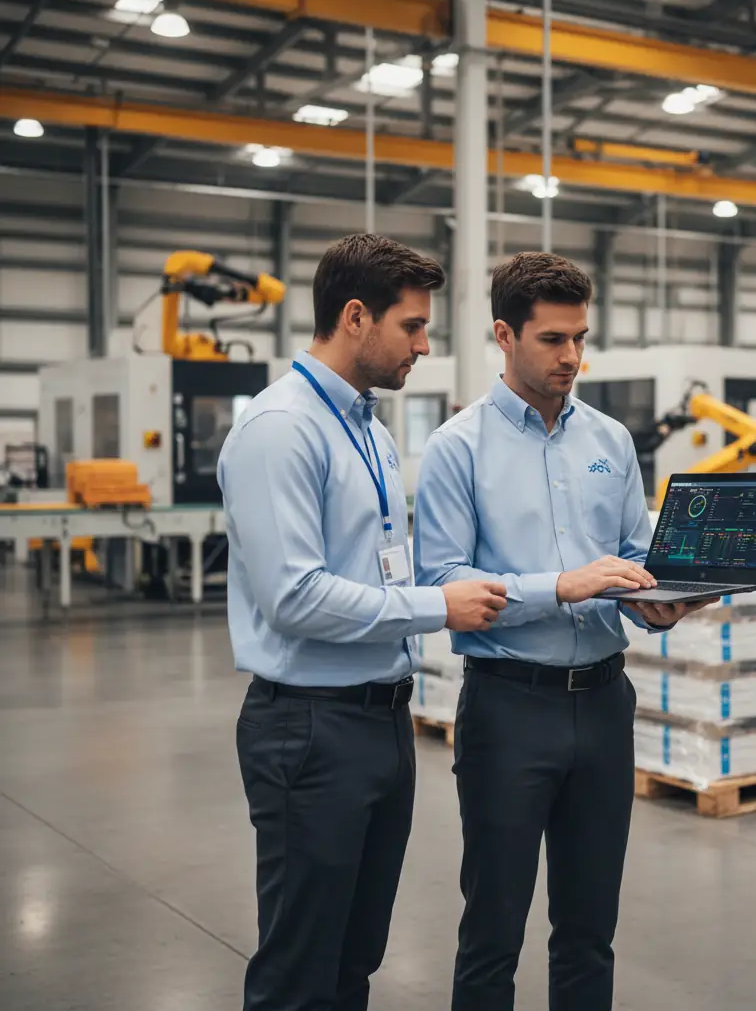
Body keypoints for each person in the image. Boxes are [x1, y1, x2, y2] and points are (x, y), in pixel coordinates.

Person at [414, 251, 714, 1011]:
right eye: (552, 340)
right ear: (504, 335)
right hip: (509, 710)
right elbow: (444, 585)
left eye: (581, 337)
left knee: (588, 930)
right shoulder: (458, 448)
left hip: (606, 704)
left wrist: (660, 595)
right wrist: (562, 586)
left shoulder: (611, 441)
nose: (572, 357)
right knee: (493, 932)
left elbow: (635, 554)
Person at [218, 233, 508, 1011]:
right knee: (300, 970)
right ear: (355, 317)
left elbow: (377, 565)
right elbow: (295, 597)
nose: (424, 344)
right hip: (309, 730)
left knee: (354, 959)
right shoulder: (283, 428)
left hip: (382, 721)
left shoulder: (372, 431)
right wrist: (435, 607)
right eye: (412, 326)